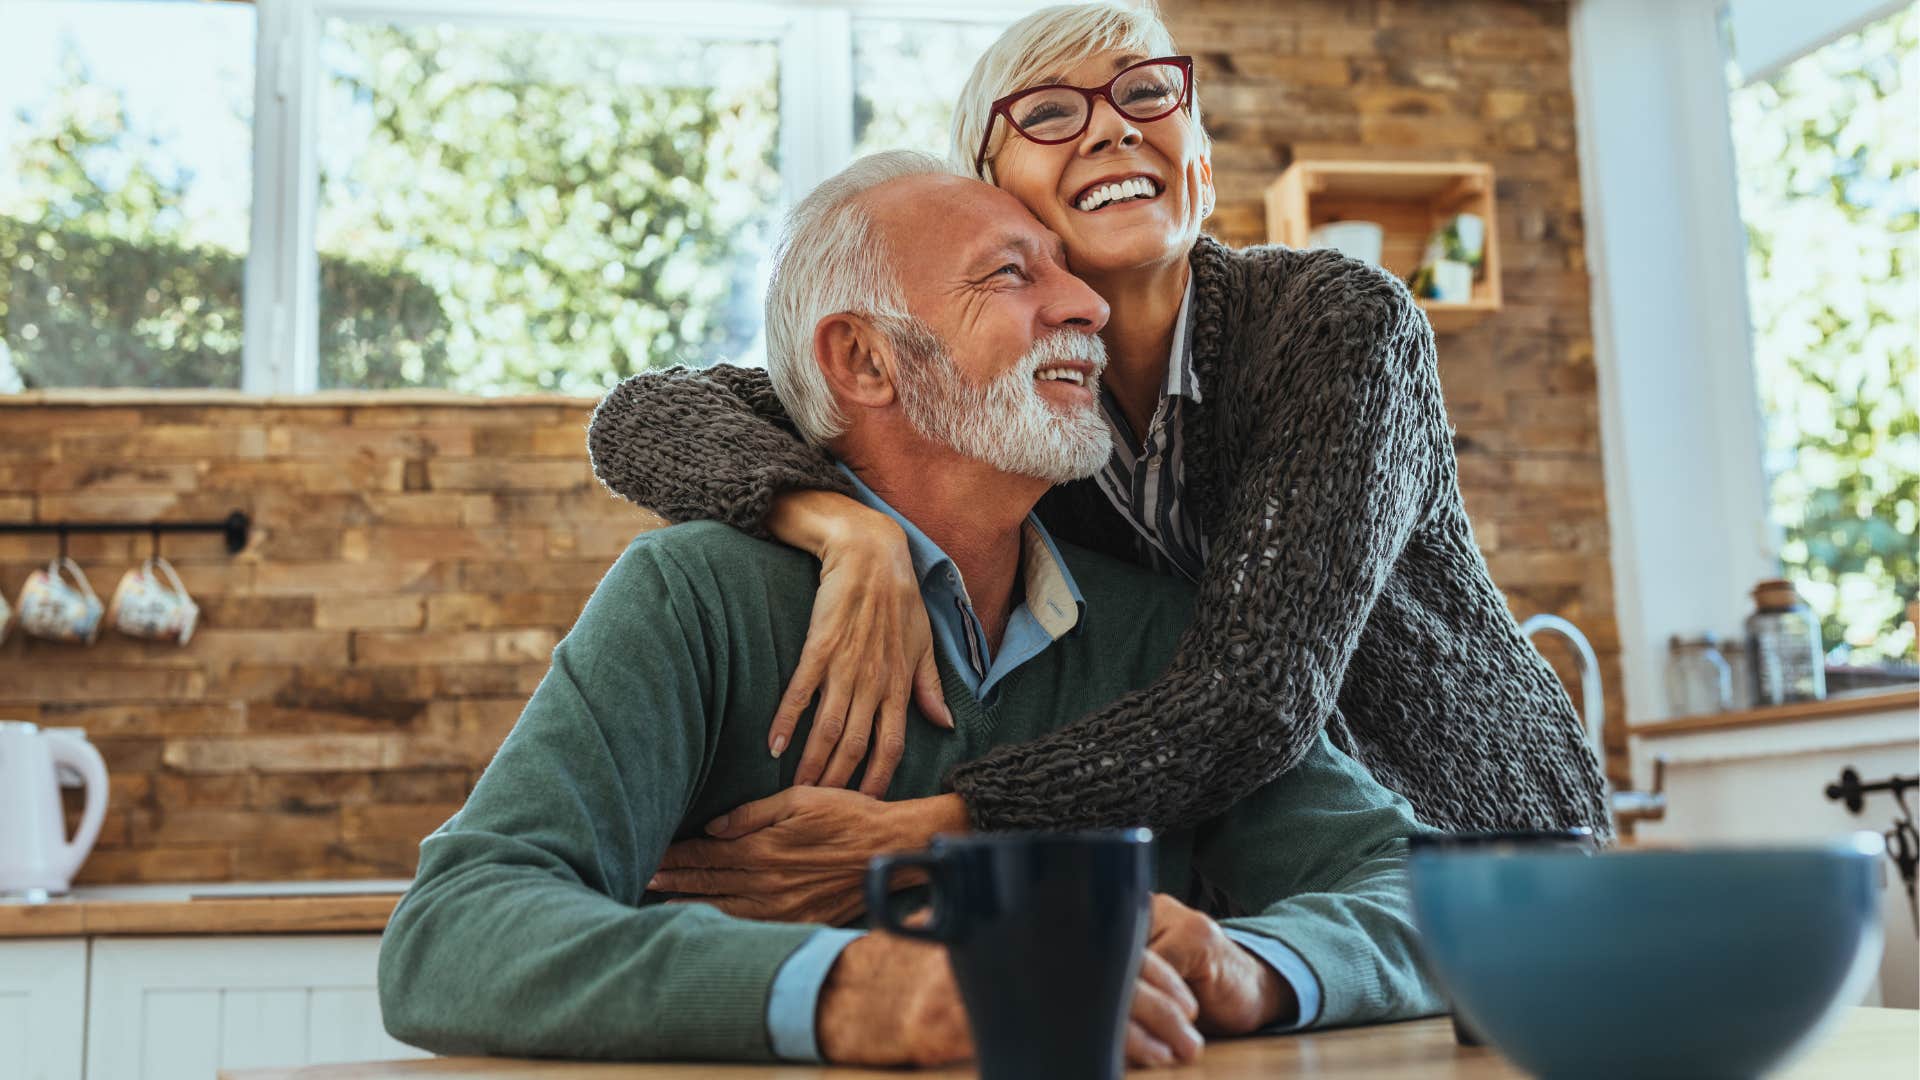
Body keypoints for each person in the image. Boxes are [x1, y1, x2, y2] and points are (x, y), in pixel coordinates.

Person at [378, 152, 1441, 1067]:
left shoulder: (1162, 633)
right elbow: (454, 933)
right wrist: (857, 989)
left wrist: (1247, 960)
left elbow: (1418, 893)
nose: (1087, 306)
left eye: (1068, 273)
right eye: (1013, 275)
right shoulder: (694, 598)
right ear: (864, 359)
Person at [585, 0, 1610, 928]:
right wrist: (837, 522)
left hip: (1470, 850)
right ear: (992, 197)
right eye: (1048, 114)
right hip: (1241, 891)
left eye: (1146, 92)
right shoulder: (1000, 404)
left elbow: (1255, 698)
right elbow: (647, 414)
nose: (1114, 126)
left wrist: (931, 830)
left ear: (1200, 163)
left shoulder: (1335, 324)